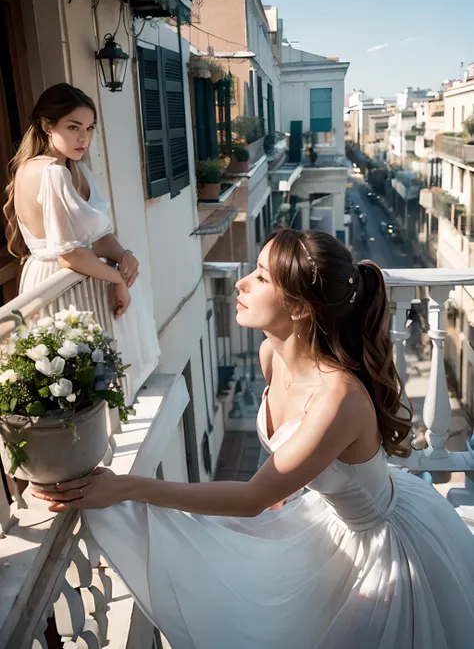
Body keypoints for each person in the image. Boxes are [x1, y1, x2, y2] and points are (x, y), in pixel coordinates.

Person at [33, 228, 474, 648]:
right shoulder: (271, 354)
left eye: (261, 276)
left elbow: (251, 499)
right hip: (325, 520)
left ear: (300, 308)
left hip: (382, 545)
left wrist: (127, 487)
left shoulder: (338, 399)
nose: (242, 283)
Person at [4, 83, 160, 403]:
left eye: (88, 128)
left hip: (85, 275)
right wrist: (120, 279)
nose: (83, 138)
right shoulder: (50, 172)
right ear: (48, 126)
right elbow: (70, 255)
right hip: (59, 283)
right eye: (73, 127)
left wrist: (124, 256)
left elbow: (97, 235)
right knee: (75, 383)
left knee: (97, 377)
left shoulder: (74, 168)